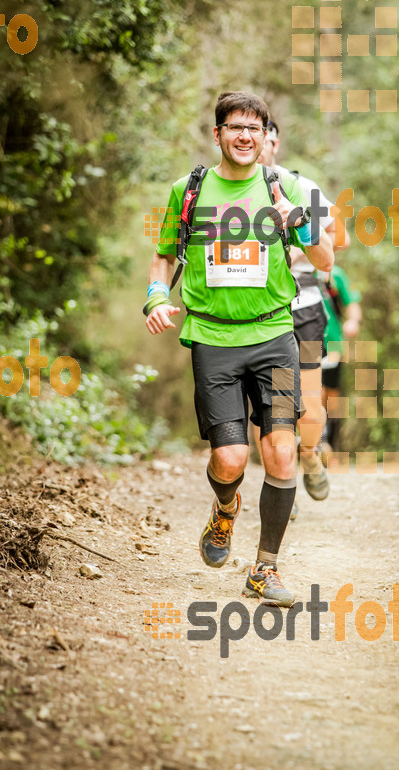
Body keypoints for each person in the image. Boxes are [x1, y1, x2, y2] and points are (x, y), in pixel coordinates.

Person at [144, 91, 333, 606]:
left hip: (276, 335)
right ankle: (225, 509)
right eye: (234, 127)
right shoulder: (188, 190)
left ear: (265, 135)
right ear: (218, 134)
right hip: (212, 339)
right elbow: (162, 257)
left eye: (254, 127)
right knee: (230, 459)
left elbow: (325, 257)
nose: (245, 136)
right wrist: (156, 296)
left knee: (282, 449)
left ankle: (265, 569)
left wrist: (299, 221)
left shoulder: (285, 185)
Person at [254, 120, 350, 511]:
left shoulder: (300, 185)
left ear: (274, 142)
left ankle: (309, 452)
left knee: (310, 411)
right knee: (272, 408)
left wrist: (301, 245)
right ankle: (281, 476)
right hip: (260, 311)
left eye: (265, 136)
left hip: (306, 308)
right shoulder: (227, 191)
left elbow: (338, 237)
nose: (258, 143)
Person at [321, 264, 362, 455]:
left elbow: (352, 302)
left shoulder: (335, 274)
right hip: (302, 342)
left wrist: (353, 321)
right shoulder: (294, 270)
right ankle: (315, 444)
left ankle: (331, 447)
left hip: (333, 343)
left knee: (332, 397)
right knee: (312, 392)